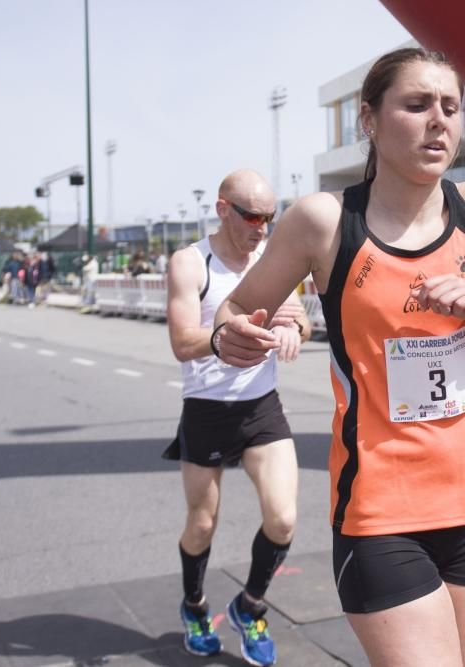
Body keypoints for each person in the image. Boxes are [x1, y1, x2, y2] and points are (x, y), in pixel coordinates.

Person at [213, 48, 465, 667]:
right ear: (370, 120)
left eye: (450, 107)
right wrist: (234, 339)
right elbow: (231, 316)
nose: (439, 121)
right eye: (416, 105)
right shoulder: (324, 222)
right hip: (381, 511)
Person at [163, 168, 310, 663]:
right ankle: (194, 603)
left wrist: (296, 331)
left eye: (270, 217)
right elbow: (183, 342)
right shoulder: (189, 262)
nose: (261, 228)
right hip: (206, 409)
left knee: (284, 518)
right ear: (223, 208)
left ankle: (250, 607)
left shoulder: (271, 260)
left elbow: (300, 316)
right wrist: (222, 338)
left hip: (261, 408)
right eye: (251, 216)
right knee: (202, 525)